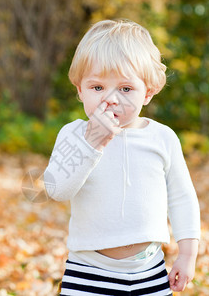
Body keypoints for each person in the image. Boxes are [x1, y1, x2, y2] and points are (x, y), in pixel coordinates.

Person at [43, 19, 200, 295]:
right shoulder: (74, 135)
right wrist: (91, 143)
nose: (111, 99)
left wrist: (187, 254)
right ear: (80, 89)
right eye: (97, 87)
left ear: (148, 92)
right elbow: (57, 189)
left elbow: (182, 197)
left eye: (125, 89)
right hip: (88, 272)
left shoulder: (162, 138)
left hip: (149, 270)